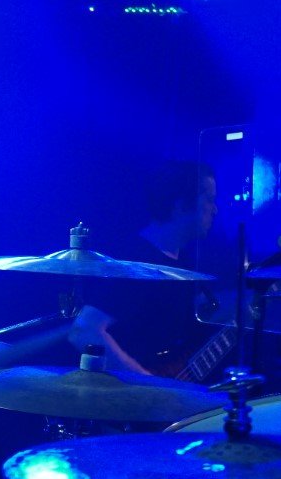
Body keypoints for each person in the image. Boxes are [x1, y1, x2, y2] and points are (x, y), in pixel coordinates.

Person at [70, 159, 220, 377]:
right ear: (180, 206)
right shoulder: (135, 261)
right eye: (209, 200)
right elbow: (84, 330)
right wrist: (148, 385)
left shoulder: (184, 262)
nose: (215, 210)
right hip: (128, 394)